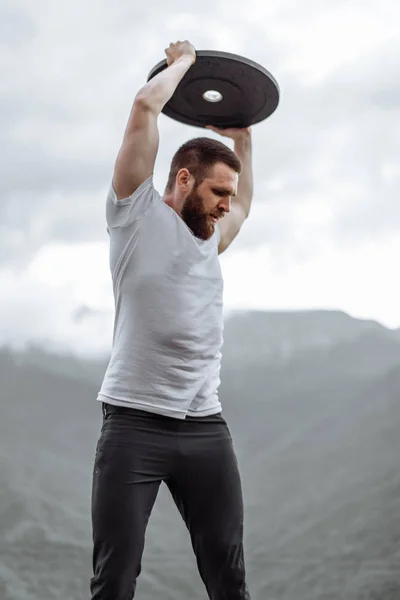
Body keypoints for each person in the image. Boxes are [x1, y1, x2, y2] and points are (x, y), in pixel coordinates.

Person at [90, 40, 254, 600]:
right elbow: (144, 109)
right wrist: (183, 65)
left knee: (228, 575)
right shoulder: (133, 217)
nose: (226, 206)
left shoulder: (213, 237)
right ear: (184, 179)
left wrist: (243, 134)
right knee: (115, 579)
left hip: (205, 424)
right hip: (134, 423)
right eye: (217, 192)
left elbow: (246, 201)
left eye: (229, 196)